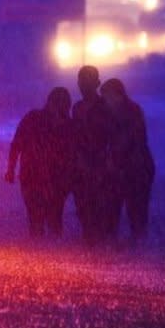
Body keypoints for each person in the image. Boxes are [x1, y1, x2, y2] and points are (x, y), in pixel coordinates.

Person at [6, 87, 74, 238]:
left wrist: (11, 169)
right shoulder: (35, 119)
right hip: (38, 177)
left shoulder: (35, 119)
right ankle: (47, 250)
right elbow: (17, 144)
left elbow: (16, 144)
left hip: (47, 178)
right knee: (44, 217)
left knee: (48, 217)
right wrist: (11, 168)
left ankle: (43, 250)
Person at [100, 78, 155, 244]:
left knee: (134, 209)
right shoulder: (127, 111)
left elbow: (130, 140)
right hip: (132, 167)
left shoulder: (129, 112)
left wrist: (114, 159)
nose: (106, 101)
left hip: (135, 168)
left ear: (117, 95)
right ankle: (133, 242)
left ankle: (133, 242)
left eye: (107, 96)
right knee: (125, 208)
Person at [71, 65, 113, 246]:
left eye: (87, 81)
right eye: (81, 81)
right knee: (83, 204)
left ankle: (98, 241)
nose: (83, 85)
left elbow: (111, 134)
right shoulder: (77, 107)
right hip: (81, 163)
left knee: (99, 204)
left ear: (97, 83)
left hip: (100, 162)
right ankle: (91, 240)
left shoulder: (105, 107)